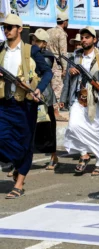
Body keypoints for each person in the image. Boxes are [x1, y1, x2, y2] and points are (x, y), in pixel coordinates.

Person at [0, 14, 53, 198]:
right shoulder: (1, 50)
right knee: (2, 139)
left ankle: (20, 182)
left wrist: (38, 89)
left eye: (10, 27)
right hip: (4, 103)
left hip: (25, 104)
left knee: (25, 142)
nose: (6, 30)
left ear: (19, 29)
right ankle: (17, 163)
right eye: (4, 27)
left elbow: (47, 73)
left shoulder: (31, 51)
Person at [61, 26, 99, 176]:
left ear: (94, 39)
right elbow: (67, 79)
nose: (84, 40)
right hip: (78, 97)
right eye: (82, 37)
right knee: (73, 126)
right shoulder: (75, 57)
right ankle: (84, 154)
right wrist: (71, 72)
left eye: (87, 37)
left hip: (97, 98)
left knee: (98, 131)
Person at [30, 28, 59, 171]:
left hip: (44, 94)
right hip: (30, 92)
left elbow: (43, 71)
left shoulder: (46, 55)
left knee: (48, 127)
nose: (34, 43)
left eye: (37, 41)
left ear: (44, 43)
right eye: (33, 40)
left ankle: (53, 156)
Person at [47, 12, 69, 121]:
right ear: (65, 22)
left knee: (48, 88)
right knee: (57, 88)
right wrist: (65, 68)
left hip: (46, 62)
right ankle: (55, 112)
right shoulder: (61, 34)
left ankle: (48, 111)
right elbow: (63, 53)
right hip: (56, 64)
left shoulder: (48, 31)